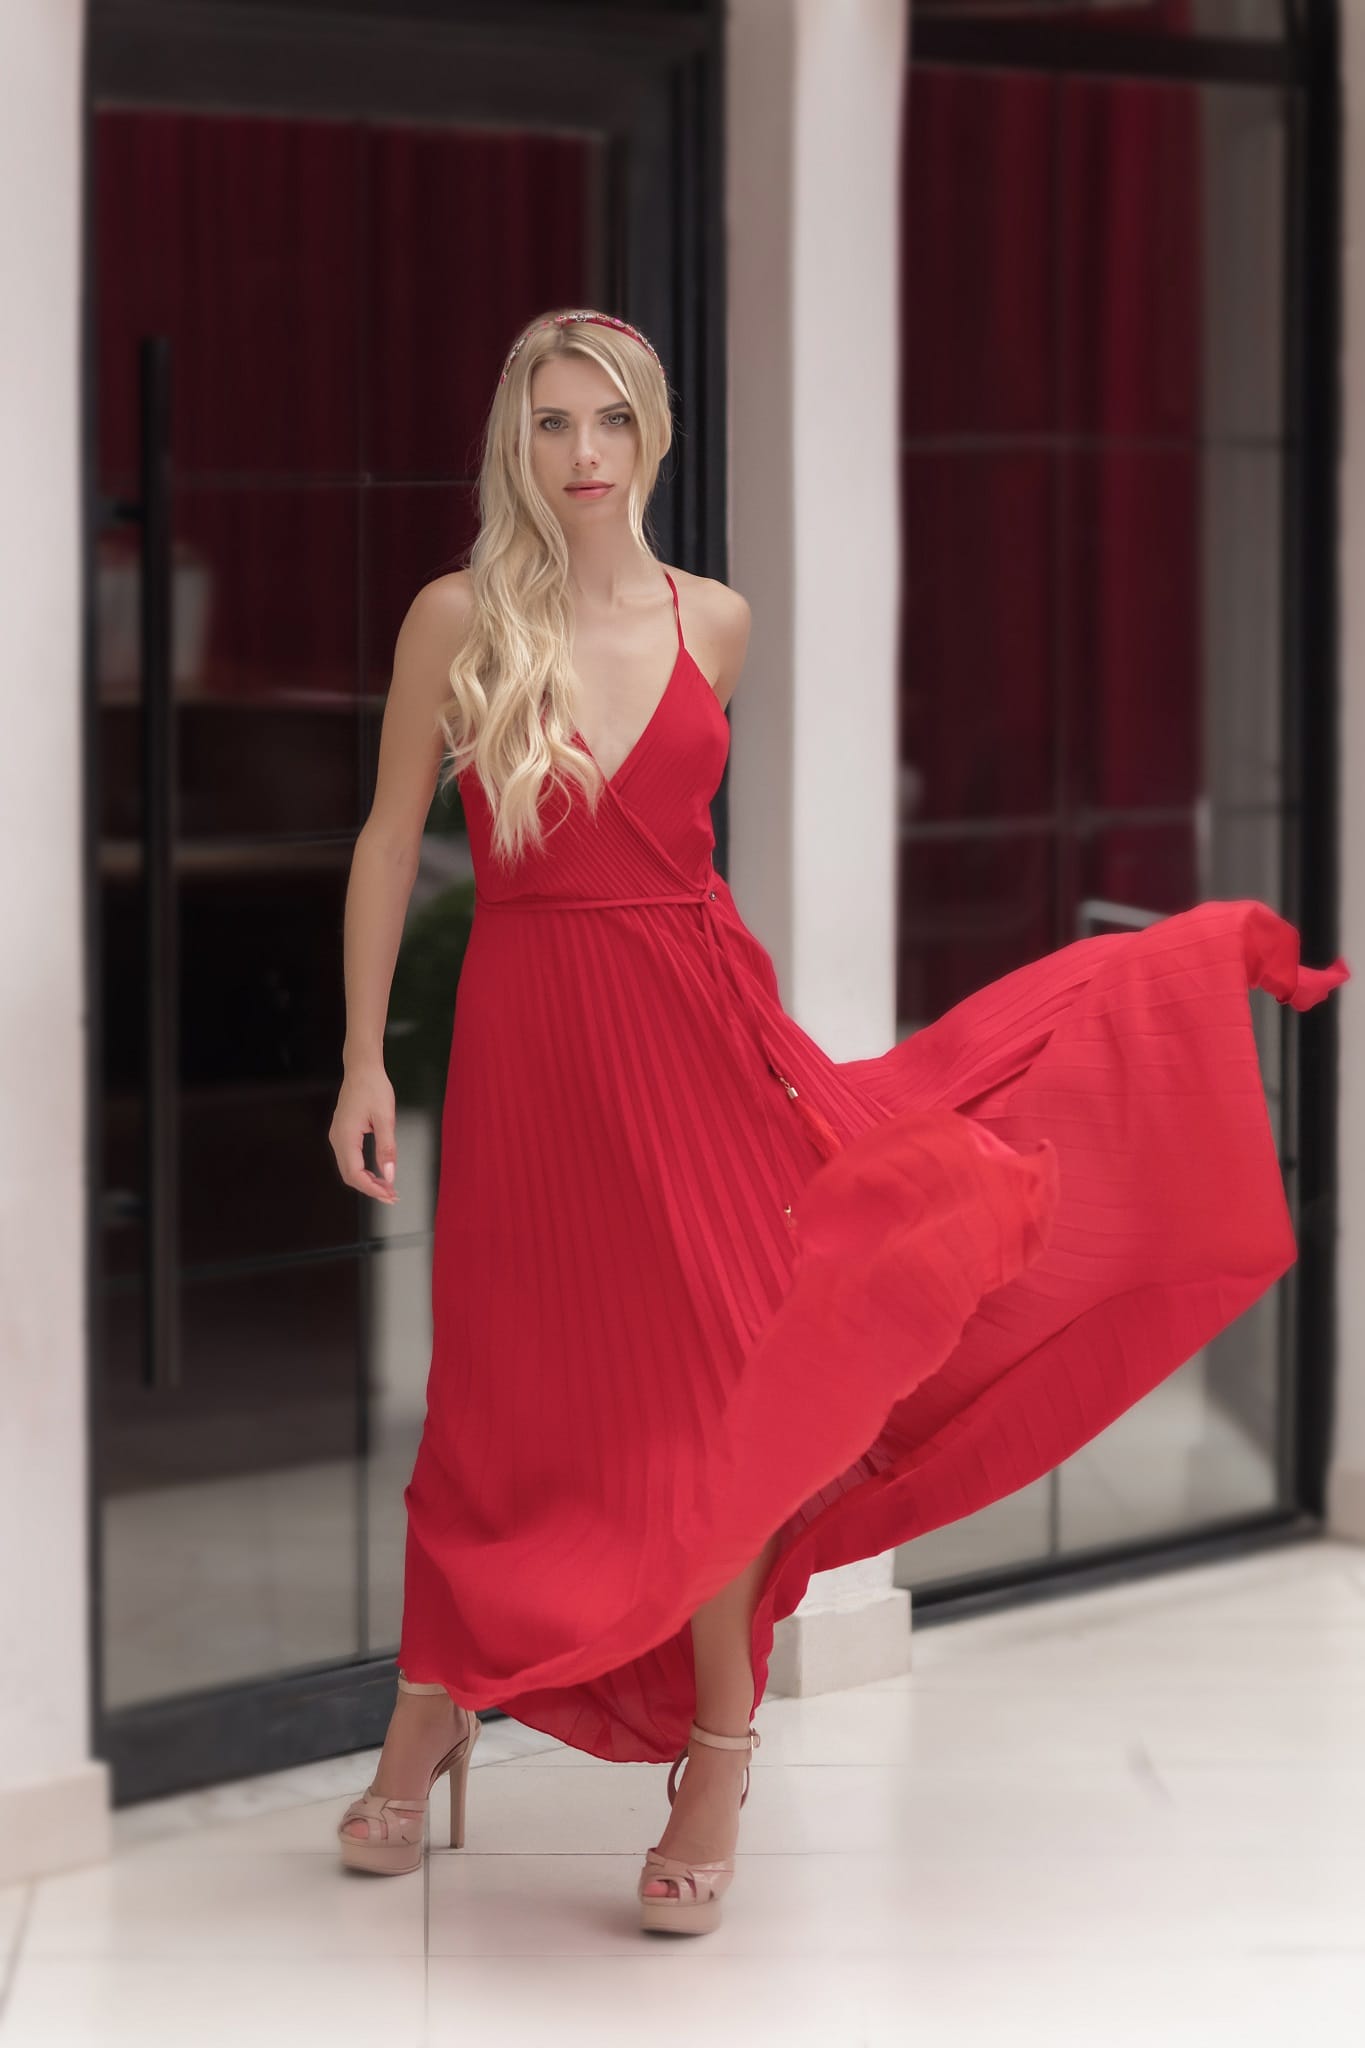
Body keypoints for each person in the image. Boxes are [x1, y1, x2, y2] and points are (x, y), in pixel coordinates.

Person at [328, 307, 1349, 1935]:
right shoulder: (458, 619)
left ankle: (718, 1748)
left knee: (732, 1388)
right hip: (529, 1048)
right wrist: (365, 1061)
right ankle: (438, 1699)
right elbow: (388, 841)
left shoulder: (712, 620)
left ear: (652, 438)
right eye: (548, 426)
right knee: (501, 1395)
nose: (581, 456)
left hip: (698, 1031)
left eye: (608, 423)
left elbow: (679, 860)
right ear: (511, 446)